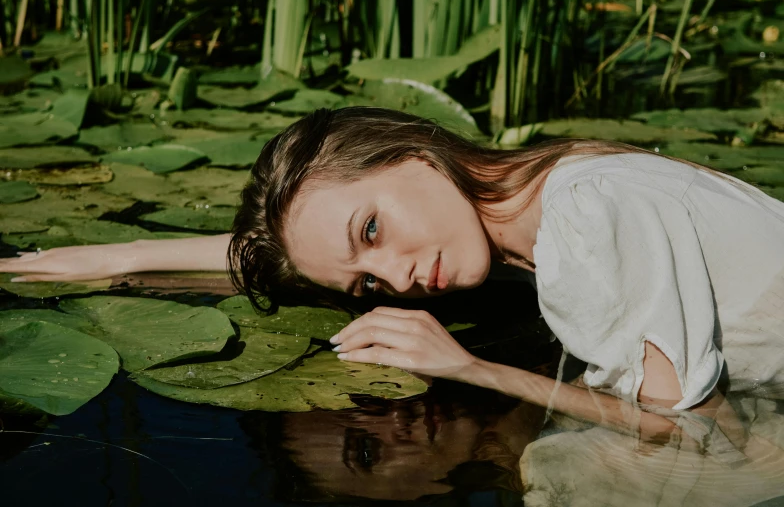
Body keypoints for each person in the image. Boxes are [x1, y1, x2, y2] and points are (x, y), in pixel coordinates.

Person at [2, 107, 783, 449]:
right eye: (367, 285)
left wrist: (472, 368)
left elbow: (690, 430)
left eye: (372, 231)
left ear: (408, 150)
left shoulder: (584, 221)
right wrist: (120, 257)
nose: (398, 277)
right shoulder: (548, 185)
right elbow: (320, 246)